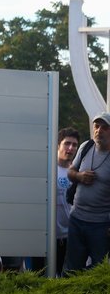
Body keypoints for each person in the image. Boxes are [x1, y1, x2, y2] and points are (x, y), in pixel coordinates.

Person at [30, 128, 79, 276]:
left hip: (68, 237)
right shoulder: (46, 169)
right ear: (58, 145)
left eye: (75, 145)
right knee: (39, 277)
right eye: (67, 143)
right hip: (44, 236)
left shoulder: (78, 173)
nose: (71, 148)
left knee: (64, 278)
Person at [65, 113, 110, 271]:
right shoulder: (86, 146)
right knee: (71, 270)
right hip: (76, 219)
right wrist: (79, 176)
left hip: (101, 225)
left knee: (98, 272)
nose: (99, 130)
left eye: (104, 127)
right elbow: (70, 172)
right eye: (96, 126)